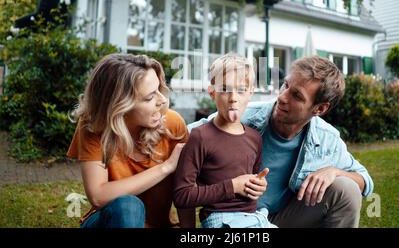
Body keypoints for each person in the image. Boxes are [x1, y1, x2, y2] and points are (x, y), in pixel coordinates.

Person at [189, 55, 374, 228]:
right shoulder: (244, 117)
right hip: (238, 218)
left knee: (346, 189)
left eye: (296, 96)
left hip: (289, 217)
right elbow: (187, 135)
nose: (282, 97)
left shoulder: (327, 139)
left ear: (319, 108)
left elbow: (365, 181)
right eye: (285, 85)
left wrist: (334, 172)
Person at [67, 53, 195, 228]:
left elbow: (184, 187)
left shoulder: (172, 124)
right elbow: (97, 195)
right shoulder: (93, 127)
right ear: (119, 105)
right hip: (106, 222)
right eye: (150, 97)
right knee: (128, 205)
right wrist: (166, 167)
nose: (162, 100)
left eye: (159, 89)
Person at [173, 53, 274, 228]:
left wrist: (258, 185)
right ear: (212, 93)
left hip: (255, 218)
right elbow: (182, 196)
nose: (233, 97)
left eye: (241, 90)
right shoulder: (200, 136)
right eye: (225, 89)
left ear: (250, 93)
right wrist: (232, 186)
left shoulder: (254, 137)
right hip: (221, 220)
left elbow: (250, 182)